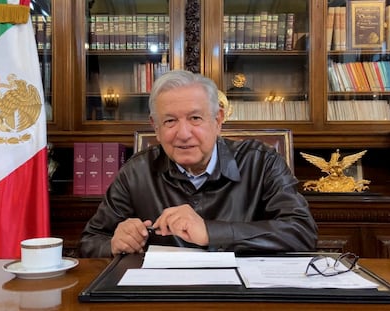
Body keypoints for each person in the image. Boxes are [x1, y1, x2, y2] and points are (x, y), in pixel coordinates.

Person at [79, 70, 318, 257]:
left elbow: (302, 232)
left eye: (195, 118)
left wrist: (210, 232)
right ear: (156, 128)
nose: (183, 134)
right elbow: (90, 241)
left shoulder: (261, 162)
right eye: (170, 121)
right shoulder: (136, 172)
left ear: (218, 120)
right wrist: (114, 242)